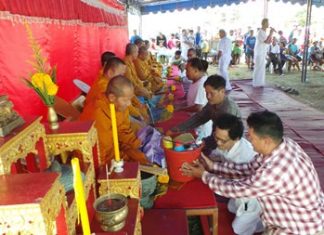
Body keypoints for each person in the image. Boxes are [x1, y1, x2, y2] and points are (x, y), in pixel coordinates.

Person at [181, 110, 324, 235]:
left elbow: (238, 189)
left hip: (299, 229)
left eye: (252, 137)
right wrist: (213, 167)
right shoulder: (282, 145)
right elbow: (248, 169)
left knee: (239, 226)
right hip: (287, 221)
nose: (249, 141)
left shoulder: (275, 172)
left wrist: (204, 176)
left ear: (267, 140)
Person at [208, 113, 263, 235]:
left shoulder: (244, 155)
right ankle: (257, 224)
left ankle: (257, 224)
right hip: (237, 191)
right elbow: (216, 155)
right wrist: (208, 160)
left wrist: (207, 173)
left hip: (250, 196)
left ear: (237, 138)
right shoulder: (225, 142)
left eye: (222, 141)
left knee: (238, 229)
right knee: (231, 208)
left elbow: (233, 182)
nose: (218, 143)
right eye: (216, 138)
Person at [80, 75, 149, 165]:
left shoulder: (118, 106)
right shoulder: (98, 114)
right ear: (112, 97)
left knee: (143, 157)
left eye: (130, 100)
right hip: (95, 160)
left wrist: (138, 144)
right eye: (125, 100)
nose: (128, 104)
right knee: (138, 162)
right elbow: (103, 152)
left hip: (114, 148)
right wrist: (128, 158)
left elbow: (123, 130)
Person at [170, 75, 241, 154]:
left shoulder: (228, 111)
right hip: (215, 139)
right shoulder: (213, 102)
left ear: (222, 91)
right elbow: (200, 117)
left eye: (211, 93)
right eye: (206, 93)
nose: (208, 97)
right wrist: (178, 128)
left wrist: (201, 144)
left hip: (227, 149)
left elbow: (222, 139)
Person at [176, 58, 212, 140]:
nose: (186, 73)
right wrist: (180, 104)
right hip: (195, 122)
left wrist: (181, 108)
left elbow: (198, 107)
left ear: (196, 71)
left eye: (187, 70)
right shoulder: (195, 81)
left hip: (201, 126)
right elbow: (191, 100)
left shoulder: (202, 84)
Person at [252, 18, 275, 87]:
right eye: (268, 23)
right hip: (259, 53)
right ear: (264, 23)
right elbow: (266, 41)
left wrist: (270, 34)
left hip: (262, 52)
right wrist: (271, 33)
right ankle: (256, 83)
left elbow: (269, 41)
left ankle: (260, 83)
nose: (269, 24)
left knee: (261, 68)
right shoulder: (260, 32)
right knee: (258, 67)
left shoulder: (264, 32)